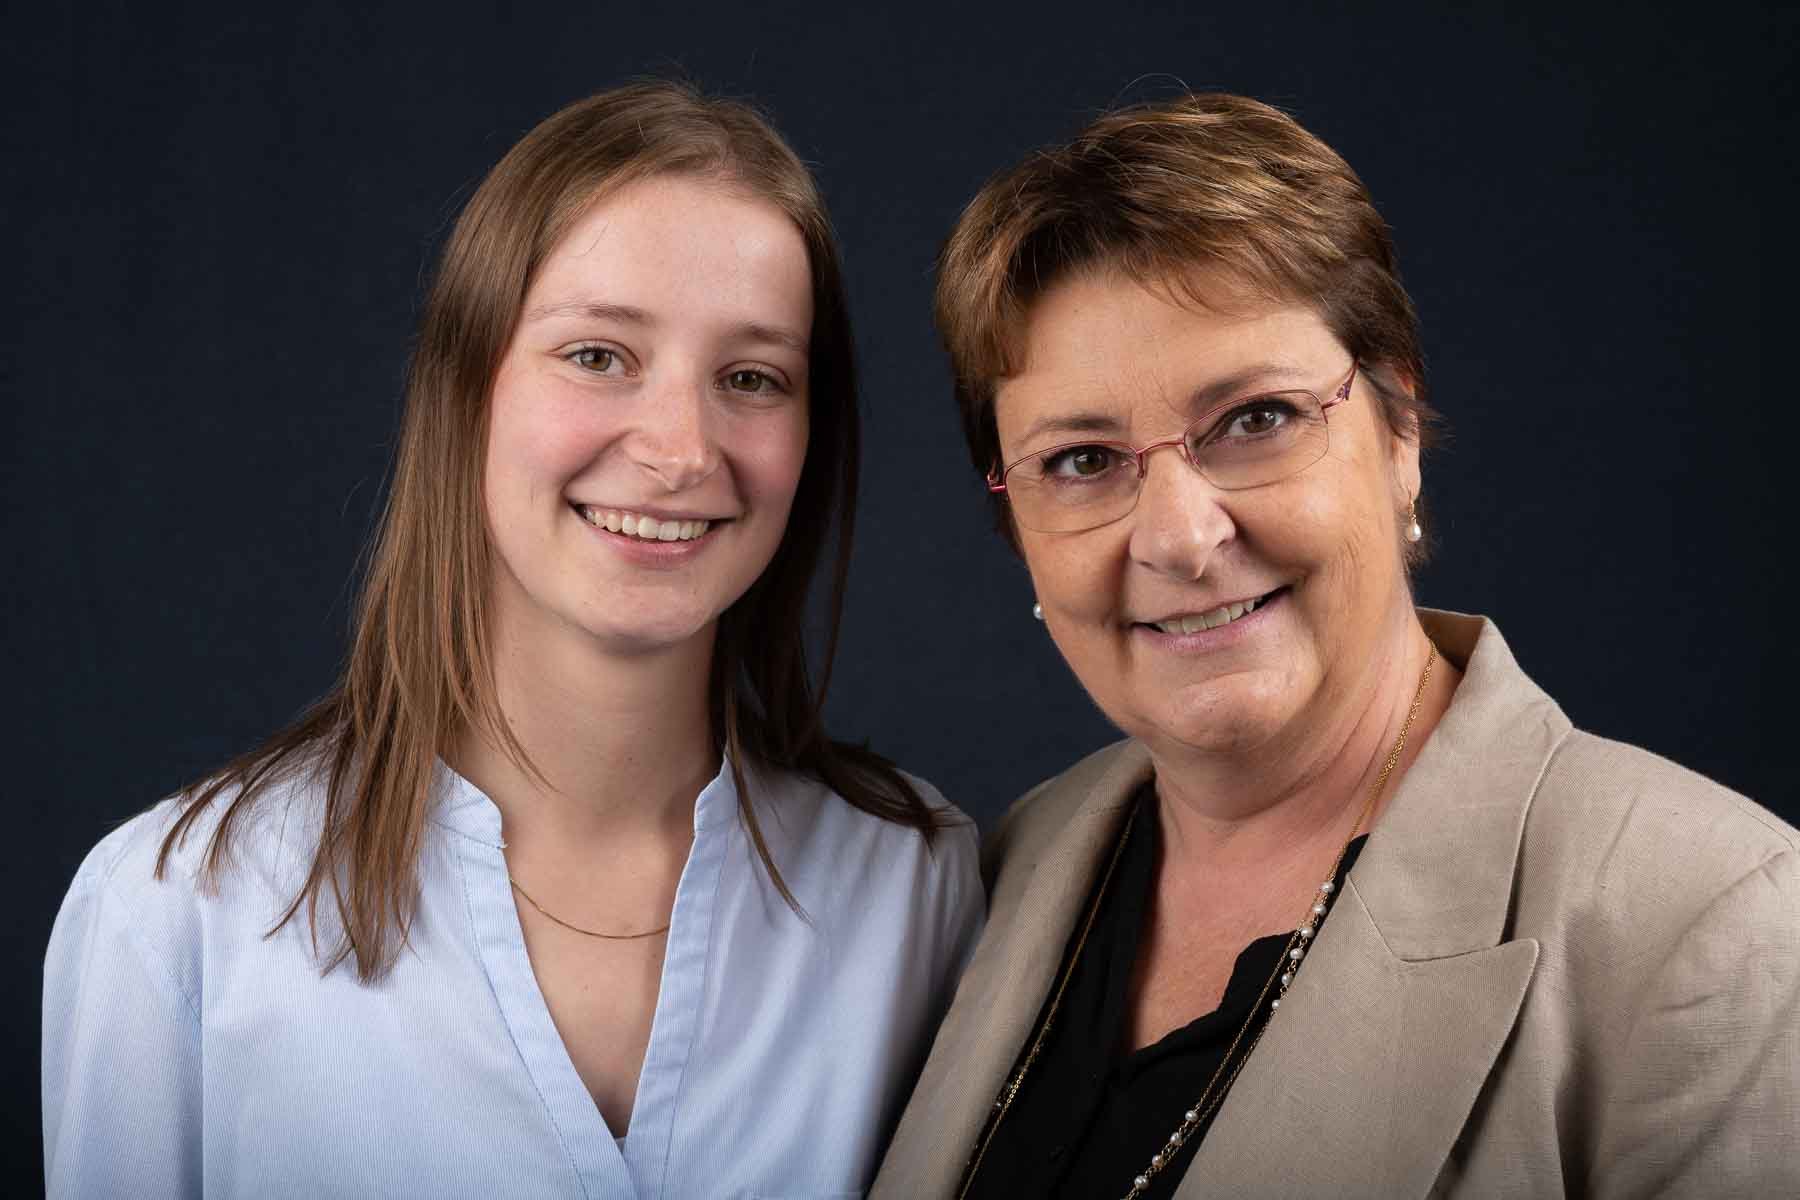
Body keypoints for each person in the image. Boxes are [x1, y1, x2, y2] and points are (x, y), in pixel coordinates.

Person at [44, 80, 982, 1199]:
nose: (682, 448)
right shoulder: (175, 915)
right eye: (598, 355)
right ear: (464, 386)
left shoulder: (913, 885)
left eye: (751, 378)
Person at [875, 93, 1796, 1198]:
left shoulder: (1712, 923)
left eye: (1255, 419)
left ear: (1400, 428)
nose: (1177, 535)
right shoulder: (1004, 867)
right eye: (1081, 459)